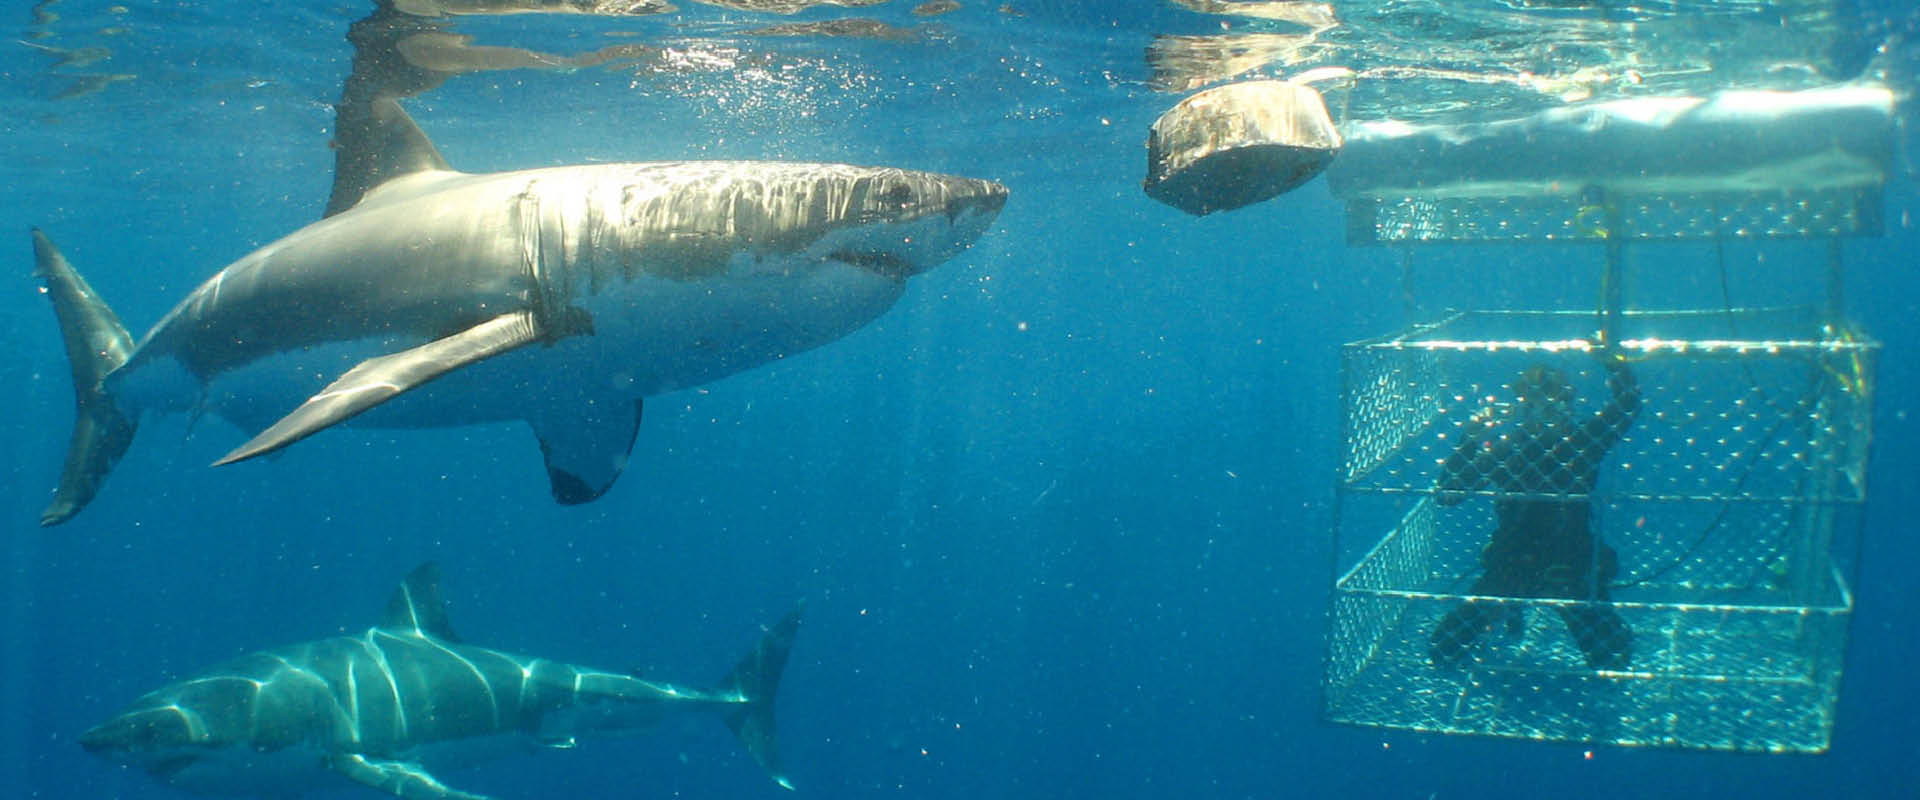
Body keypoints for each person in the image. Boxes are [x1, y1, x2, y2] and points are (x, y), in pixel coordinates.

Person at [1428, 343, 1640, 670]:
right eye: (1536, 407)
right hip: (1518, 563)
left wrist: (1614, 362)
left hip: (1567, 563)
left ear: (1568, 408)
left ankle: (1513, 610)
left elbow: (1627, 405)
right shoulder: (1530, 448)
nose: (1545, 416)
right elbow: (1449, 494)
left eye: (1553, 407)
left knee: (1613, 656)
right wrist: (1469, 438)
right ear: (1522, 410)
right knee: (1443, 650)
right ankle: (1509, 609)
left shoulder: (1579, 442)